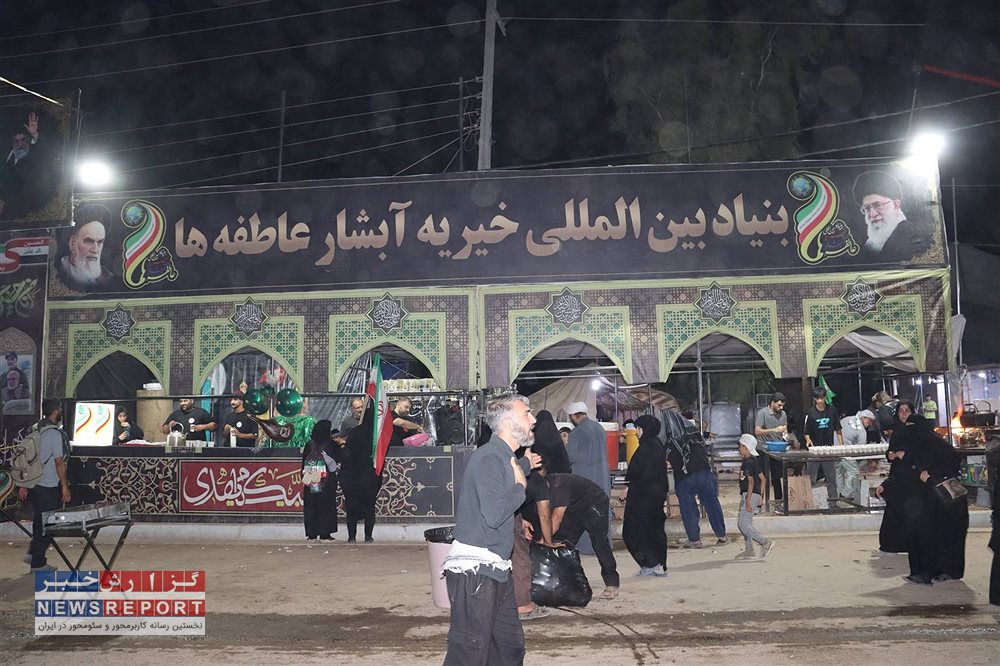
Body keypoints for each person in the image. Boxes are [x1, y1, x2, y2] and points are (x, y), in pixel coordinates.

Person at [442, 394, 534, 665]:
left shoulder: (504, 456)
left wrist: (525, 467)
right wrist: (520, 488)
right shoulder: (489, 458)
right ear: (506, 423)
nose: (533, 419)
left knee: (508, 649)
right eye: (526, 413)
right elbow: (494, 515)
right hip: (475, 572)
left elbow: (508, 478)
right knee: (470, 653)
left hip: (496, 568)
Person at [887, 410, 968, 584]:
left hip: (935, 500)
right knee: (943, 536)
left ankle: (924, 573)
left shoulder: (926, 444)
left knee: (924, 535)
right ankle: (945, 571)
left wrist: (929, 471)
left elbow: (928, 462)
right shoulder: (933, 442)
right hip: (942, 500)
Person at [541, 472, 620, 599]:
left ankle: (612, 582)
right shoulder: (539, 488)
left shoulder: (559, 486)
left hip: (595, 502)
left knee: (599, 541)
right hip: (574, 507)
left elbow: (556, 520)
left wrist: (543, 540)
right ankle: (562, 581)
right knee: (561, 541)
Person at [17, 398, 71, 572]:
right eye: (60, 409)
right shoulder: (54, 434)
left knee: (39, 522)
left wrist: (23, 485)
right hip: (48, 485)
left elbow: (25, 458)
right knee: (49, 525)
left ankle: (33, 554)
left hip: (33, 484)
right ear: (55, 411)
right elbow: (59, 462)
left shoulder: (34, 429)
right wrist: (64, 486)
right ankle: (38, 563)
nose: (61, 411)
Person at [661, 409, 727, 548]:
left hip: (684, 477)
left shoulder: (670, 438)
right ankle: (721, 535)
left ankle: (694, 539)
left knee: (688, 508)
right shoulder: (694, 432)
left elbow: (670, 460)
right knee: (712, 503)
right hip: (704, 472)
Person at [620, 414, 668, 576]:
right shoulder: (657, 445)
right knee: (654, 531)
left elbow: (644, 475)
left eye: (639, 429)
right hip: (655, 496)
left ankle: (651, 563)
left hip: (643, 498)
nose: (637, 432)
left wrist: (630, 487)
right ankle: (658, 564)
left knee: (634, 531)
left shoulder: (646, 448)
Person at [853, 170, 931, 262]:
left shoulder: (913, 237)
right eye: (867, 208)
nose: (872, 214)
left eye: (878, 205)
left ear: (896, 205)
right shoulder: (870, 243)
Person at [565, 401, 610, 554]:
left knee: (584, 511)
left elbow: (570, 457)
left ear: (573, 416)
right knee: (601, 512)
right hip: (601, 476)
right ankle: (603, 546)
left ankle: (586, 547)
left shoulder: (576, 433)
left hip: (583, 477)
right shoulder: (599, 428)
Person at [340, 400, 382, 543]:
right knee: (369, 508)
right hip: (369, 477)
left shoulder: (355, 432)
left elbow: (347, 454)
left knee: (351, 508)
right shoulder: (376, 436)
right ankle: (368, 537)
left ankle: (351, 537)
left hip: (352, 477)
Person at [875, 400, 914, 555]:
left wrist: (907, 455)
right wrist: (890, 455)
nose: (904, 414)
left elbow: (924, 453)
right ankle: (891, 544)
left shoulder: (918, 431)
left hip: (913, 478)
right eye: (901, 411)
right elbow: (891, 451)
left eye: (907, 411)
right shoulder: (896, 431)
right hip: (898, 476)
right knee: (893, 511)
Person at [0, 112, 51, 219]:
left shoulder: (33, 155)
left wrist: (34, 135)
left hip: (25, 209)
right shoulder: (6, 155)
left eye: (23, 139)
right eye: (16, 140)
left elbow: (42, 151)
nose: (20, 144)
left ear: (28, 140)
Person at [735, 434, 774, 560]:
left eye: (740, 446)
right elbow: (763, 479)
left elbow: (751, 482)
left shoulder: (747, 463)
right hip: (754, 495)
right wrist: (760, 496)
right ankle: (749, 549)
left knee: (743, 524)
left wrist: (748, 500)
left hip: (749, 495)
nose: (739, 449)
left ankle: (765, 542)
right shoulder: (754, 461)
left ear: (746, 448)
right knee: (746, 523)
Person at [803, 386, 843, 504]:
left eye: (822, 398)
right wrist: (808, 440)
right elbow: (806, 432)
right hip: (814, 451)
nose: (820, 401)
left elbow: (838, 429)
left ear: (825, 397)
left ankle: (833, 503)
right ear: (814, 399)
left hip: (828, 449)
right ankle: (809, 503)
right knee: (811, 478)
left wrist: (841, 445)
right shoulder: (811, 412)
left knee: (831, 478)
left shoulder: (832, 410)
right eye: (817, 398)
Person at [57, 213, 116, 292]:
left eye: (100, 242)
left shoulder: (110, 279)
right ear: (72, 243)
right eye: (89, 241)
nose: (95, 249)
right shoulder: (56, 272)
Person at [301, 420, 339, 541]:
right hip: (326, 482)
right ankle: (325, 533)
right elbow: (339, 458)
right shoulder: (331, 444)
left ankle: (312, 534)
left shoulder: (309, 444)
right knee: (325, 505)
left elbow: (303, 463)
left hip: (312, 481)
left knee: (312, 505)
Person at [755, 392, 790, 501]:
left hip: (777, 449)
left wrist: (786, 435)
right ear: (772, 403)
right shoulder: (762, 413)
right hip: (763, 449)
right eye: (779, 405)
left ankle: (778, 502)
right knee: (762, 478)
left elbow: (785, 429)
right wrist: (773, 430)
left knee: (777, 477)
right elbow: (757, 431)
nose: (781, 407)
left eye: (782, 405)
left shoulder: (783, 414)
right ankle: (760, 502)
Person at [836, 409, 879, 501]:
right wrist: (870, 461)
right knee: (854, 471)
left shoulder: (847, 418)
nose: (870, 424)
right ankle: (845, 494)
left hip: (834, 448)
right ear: (863, 417)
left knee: (839, 472)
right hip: (845, 451)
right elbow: (862, 451)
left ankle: (839, 493)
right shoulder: (861, 431)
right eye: (870, 421)